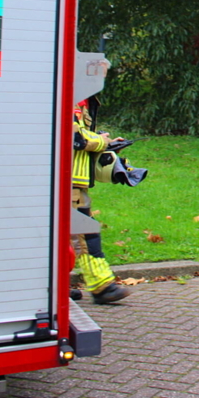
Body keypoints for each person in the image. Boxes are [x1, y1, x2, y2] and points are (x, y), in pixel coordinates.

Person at [71, 97, 130, 304]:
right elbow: (75, 139)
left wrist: (108, 144)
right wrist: (102, 141)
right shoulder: (67, 95)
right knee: (86, 236)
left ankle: (55, 285)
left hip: (70, 183)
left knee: (57, 239)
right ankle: (102, 287)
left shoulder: (80, 101)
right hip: (68, 184)